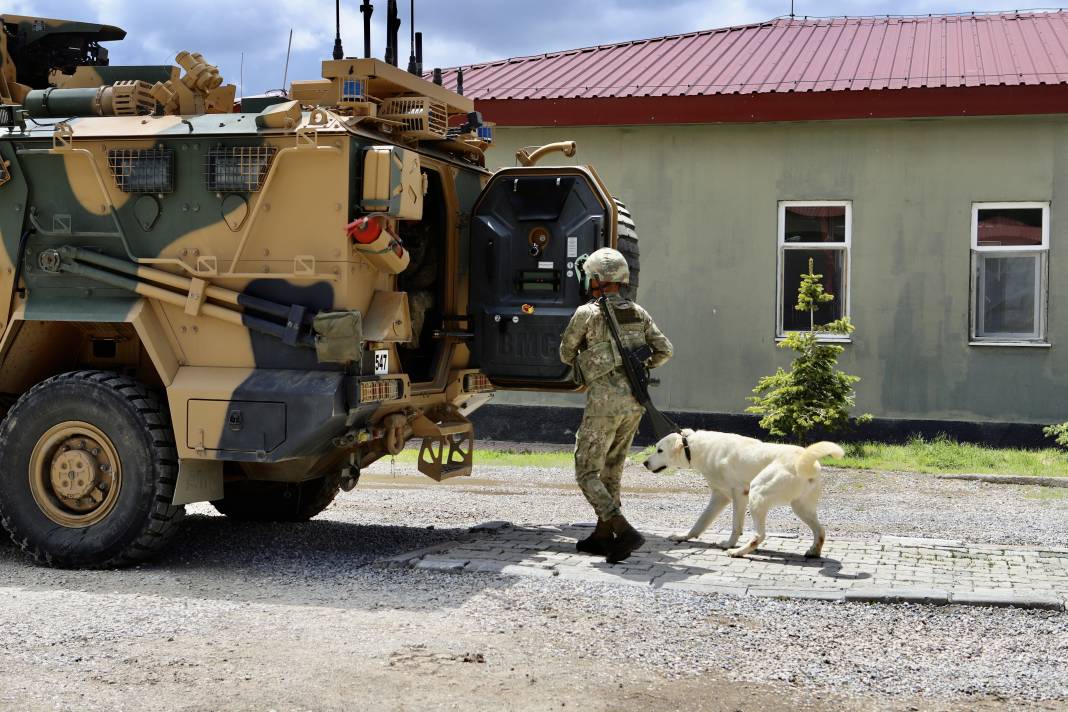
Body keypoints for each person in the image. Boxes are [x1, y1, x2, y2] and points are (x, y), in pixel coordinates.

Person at [559, 247, 673, 563]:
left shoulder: (588, 313)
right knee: (612, 470)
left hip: (603, 405)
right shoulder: (638, 312)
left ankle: (623, 530)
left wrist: (595, 357)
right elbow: (664, 350)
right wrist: (638, 362)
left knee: (587, 472)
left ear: (596, 279)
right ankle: (602, 535)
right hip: (634, 404)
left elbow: (566, 354)